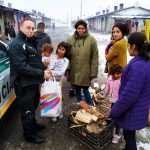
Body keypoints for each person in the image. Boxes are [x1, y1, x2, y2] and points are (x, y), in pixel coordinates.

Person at [8, 18, 51, 144]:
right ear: (21, 27)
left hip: (32, 82)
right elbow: (21, 66)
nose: (31, 31)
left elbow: (34, 62)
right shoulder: (16, 44)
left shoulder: (30, 42)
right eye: (28, 28)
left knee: (33, 106)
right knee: (27, 110)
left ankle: (33, 126)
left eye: (33, 28)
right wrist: (42, 73)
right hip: (23, 84)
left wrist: (44, 68)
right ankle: (29, 135)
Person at [110, 32, 150, 150]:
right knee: (130, 134)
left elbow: (129, 96)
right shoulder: (145, 62)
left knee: (129, 136)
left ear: (133, 46)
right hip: (139, 107)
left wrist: (114, 111)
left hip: (132, 110)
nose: (127, 48)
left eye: (128, 45)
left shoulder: (137, 66)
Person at [67, 20, 98, 105]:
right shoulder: (70, 40)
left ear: (86, 29)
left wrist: (93, 72)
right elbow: (66, 55)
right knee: (77, 89)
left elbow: (95, 57)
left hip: (85, 70)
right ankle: (81, 106)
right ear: (76, 29)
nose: (81, 30)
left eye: (83, 28)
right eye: (79, 28)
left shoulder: (92, 40)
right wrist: (67, 69)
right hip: (74, 70)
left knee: (85, 89)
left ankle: (91, 107)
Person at [48, 42, 70, 122]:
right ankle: (53, 114)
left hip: (58, 81)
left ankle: (59, 111)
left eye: (63, 49)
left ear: (66, 51)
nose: (60, 51)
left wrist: (52, 72)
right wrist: (51, 70)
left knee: (59, 97)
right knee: (50, 96)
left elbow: (61, 72)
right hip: (49, 80)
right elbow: (49, 67)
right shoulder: (53, 57)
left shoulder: (65, 60)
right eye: (59, 48)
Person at [104, 64, 123, 144]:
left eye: (120, 73)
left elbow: (123, 90)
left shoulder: (122, 80)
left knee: (117, 118)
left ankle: (117, 135)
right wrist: (105, 95)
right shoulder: (109, 79)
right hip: (112, 100)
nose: (119, 75)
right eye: (117, 73)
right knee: (112, 114)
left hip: (119, 101)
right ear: (113, 73)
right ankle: (110, 127)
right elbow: (107, 88)